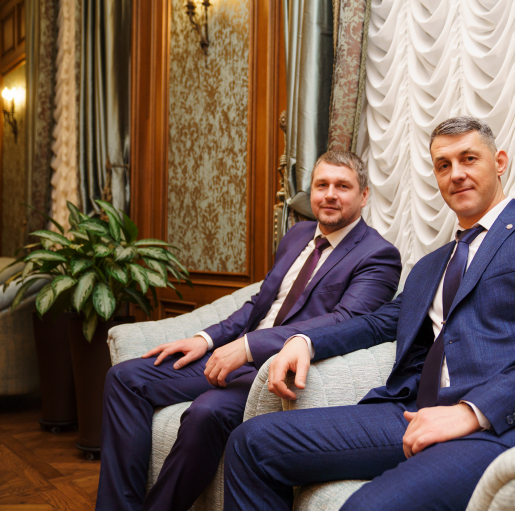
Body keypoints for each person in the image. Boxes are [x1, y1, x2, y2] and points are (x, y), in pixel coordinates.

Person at [223, 117, 515, 511]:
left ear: (499, 162)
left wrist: (473, 411)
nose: (456, 174)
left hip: (504, 423)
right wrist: (304, 340)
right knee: (250, 442)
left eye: (469, 158)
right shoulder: (430, 266)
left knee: (367, 508)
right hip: (414, 411)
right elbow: (378, 322)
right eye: (443, 165)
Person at [95, 150, 402, 511]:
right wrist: (205, 339)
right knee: (125, 378)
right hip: (233, 352)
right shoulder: (298, 234)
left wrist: (250, 346)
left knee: (206, 412)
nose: (330, 194)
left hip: (273, 368)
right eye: (322, 185)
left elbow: (346, 321)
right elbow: (260, 302)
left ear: (364, 195)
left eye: (342, 186)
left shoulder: (378, 255)